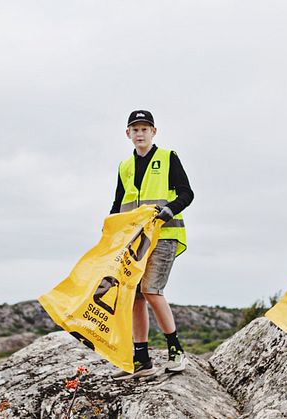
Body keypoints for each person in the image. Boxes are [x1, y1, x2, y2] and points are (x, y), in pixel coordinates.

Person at [110, 110, 194, 379]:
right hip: (136, 241)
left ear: (154, 132)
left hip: (165, 234)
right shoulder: (125, 166)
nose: (140, 133)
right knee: (134, 296)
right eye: (135, 129)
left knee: (151, 290)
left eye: (145, 128)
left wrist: (170, 208)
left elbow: (187, 193)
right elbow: (118, 204)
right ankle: (142, 360)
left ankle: (176, 350)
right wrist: (110, 232)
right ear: (128, 134)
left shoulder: (168, 158)